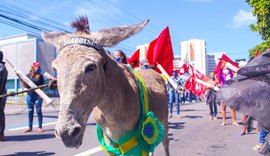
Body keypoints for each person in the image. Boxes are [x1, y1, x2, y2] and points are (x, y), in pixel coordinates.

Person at [18, 62, 44, 133]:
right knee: (30, 111)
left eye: (39, 67)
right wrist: (20, 78)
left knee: (38, 111)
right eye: (37, 67)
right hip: (30, 95)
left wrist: (42, 96)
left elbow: (42, 87)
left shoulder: (40, 76)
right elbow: (26, 86)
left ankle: (40, 127)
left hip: (38, 96)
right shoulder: (28, 76)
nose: (38, 69)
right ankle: (30, 127)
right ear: (33, 68)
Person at [217, 59, 239, 126]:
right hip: (224, 92)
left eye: (226, 69)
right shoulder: (221, 76)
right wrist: (222, 67)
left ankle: (234, 121)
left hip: (230, 91)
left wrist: (227, 64)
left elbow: (231, 72)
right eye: (224, 69)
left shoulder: (230, 75)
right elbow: (219, 74)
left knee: (232, 107)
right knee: (223, 107)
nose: (225, 69)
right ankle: (224, 121)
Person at [0, 51, 8, 141]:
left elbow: (1, 84)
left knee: (0, 113)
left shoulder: (1, 67)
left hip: (1, 94)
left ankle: (1, 133)